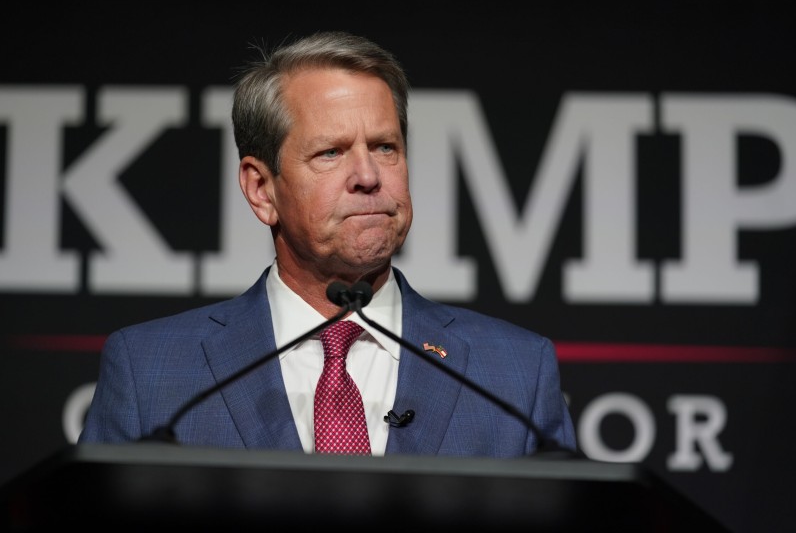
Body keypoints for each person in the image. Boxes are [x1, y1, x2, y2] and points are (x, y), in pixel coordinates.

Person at [79, 31, 577, 457]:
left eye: (385, 147)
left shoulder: (514, 373)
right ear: (261, 189)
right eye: (331, 153)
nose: (368, 176)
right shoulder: (152, 373)